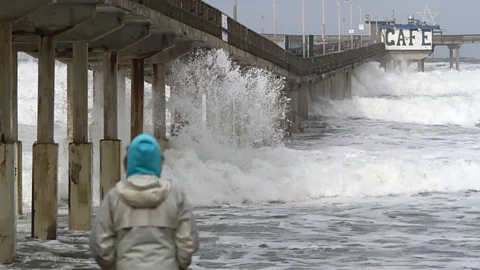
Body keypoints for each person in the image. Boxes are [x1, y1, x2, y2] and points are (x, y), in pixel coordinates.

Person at [89, 133, 199, 270]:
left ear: (126, 163)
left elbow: (100, 245)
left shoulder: (114, 197)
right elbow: (188, 242)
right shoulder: (175, 196)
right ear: (159, 163)